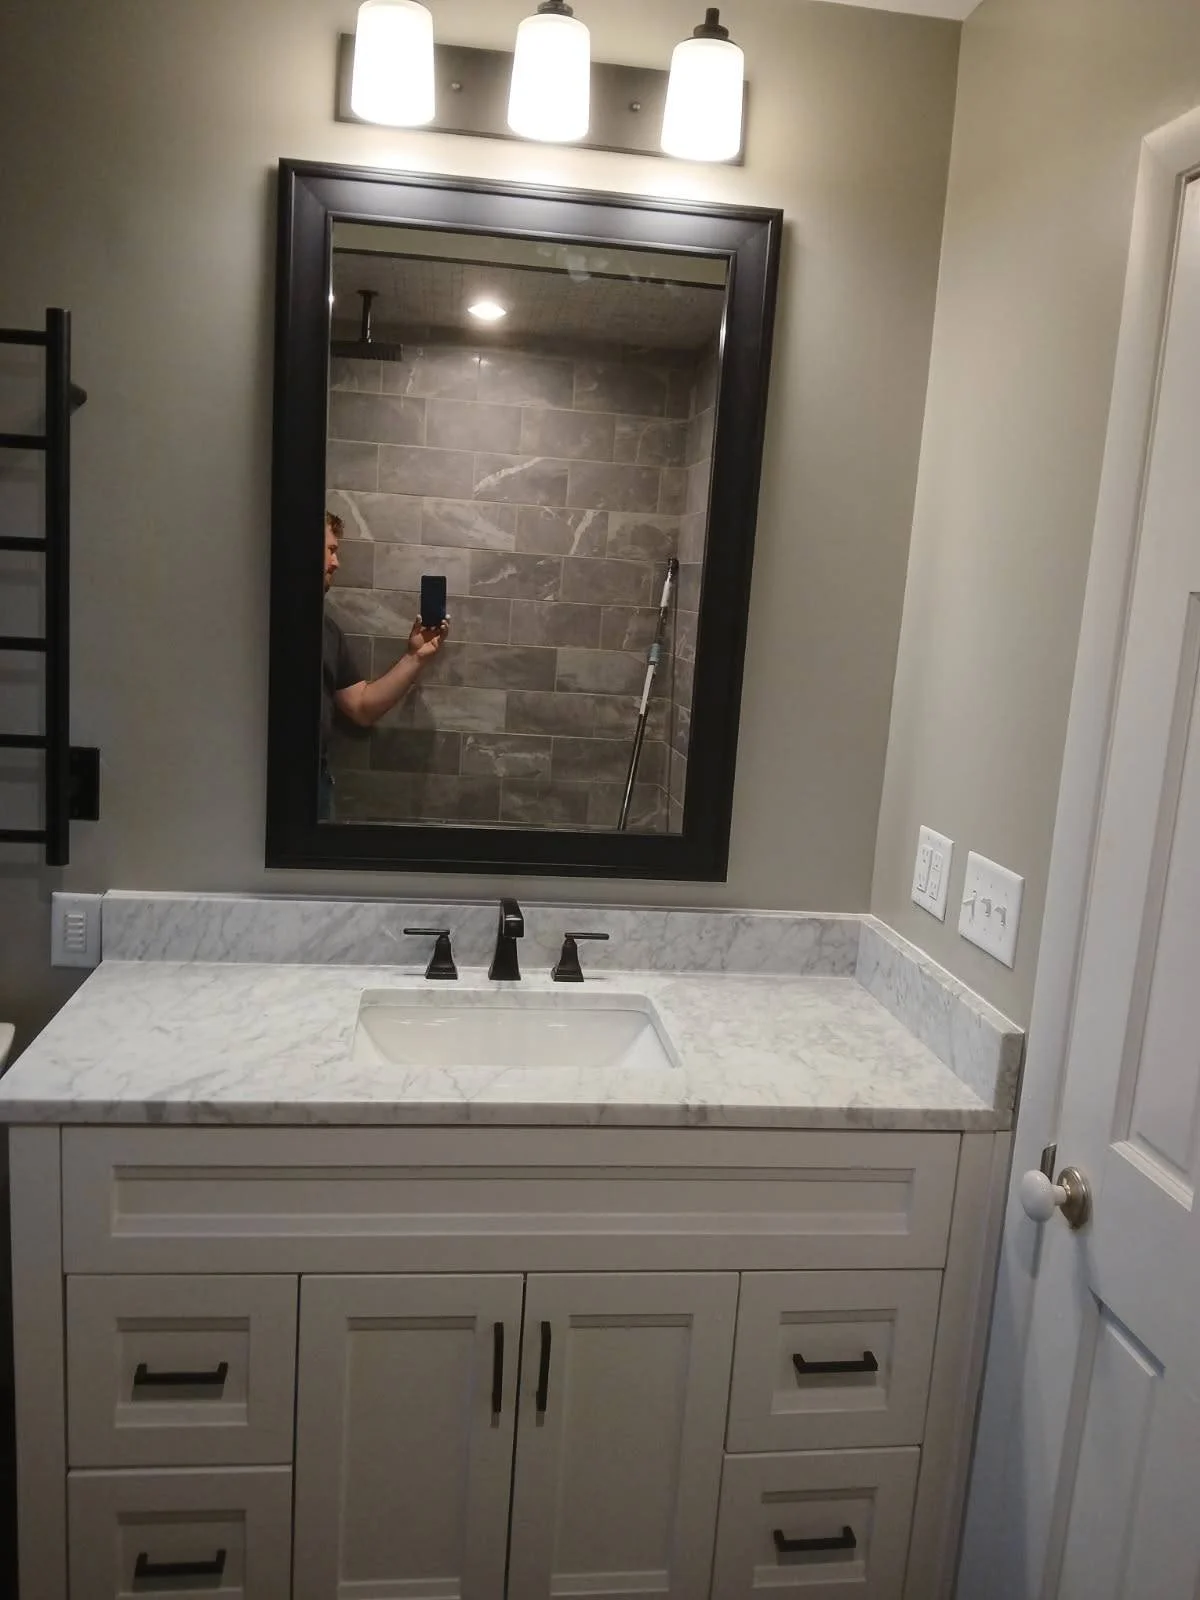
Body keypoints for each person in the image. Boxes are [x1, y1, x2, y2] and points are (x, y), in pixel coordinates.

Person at [321, 511, 448, 818]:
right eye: (331, 550)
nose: (336, 563)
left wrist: (415, 657)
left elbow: (361, 708)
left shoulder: (327, 631)